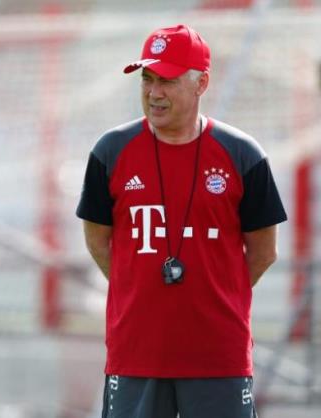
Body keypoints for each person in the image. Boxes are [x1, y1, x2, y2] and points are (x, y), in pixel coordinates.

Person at [76, 24, 287, 418]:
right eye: (147, 79)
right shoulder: (110, 151)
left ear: (201, 83)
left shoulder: (243, 155)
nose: (154, 93)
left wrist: (215, 292)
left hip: (218, 359)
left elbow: (264, 251)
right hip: (135, 357)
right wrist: (137, 286)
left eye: (167, 81)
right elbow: (97, 241)